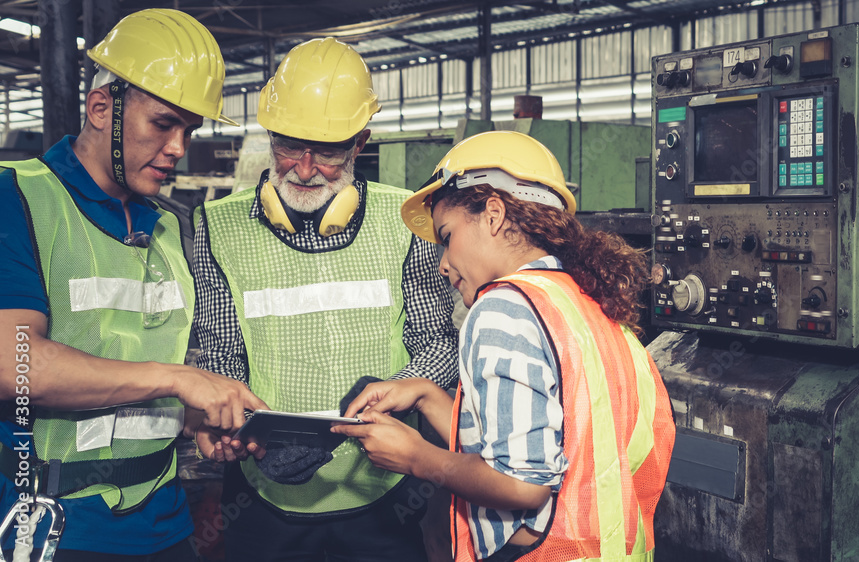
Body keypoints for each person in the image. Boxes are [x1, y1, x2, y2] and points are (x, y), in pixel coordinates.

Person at [0, 9, 268, 561]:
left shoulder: (170, 226)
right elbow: (14, 365)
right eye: (163, 124)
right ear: (101, 108)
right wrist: (179, 379)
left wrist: (198, 419)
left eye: (189, 130)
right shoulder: (19, 198)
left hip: (165, 521)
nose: (178, 147)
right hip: (56, 525)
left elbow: (133, 360)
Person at [335, 130, 676, 561]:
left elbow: (522, 485)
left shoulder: (502, 308)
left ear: (493, 214)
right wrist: (425, 396)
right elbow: (528, 438)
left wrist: (418, 457)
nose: (441, 264)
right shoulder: (586, 303)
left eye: (446, 236)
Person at [190, 37, 458, 562]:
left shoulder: (406, 221)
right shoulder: (217, 227)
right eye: (289, 145)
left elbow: (436, 344)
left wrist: (399, 389)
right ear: (269, 133)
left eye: (329, 152)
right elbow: (220, 356)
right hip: (262, 498)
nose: (305, 168)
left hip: (383, 491)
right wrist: (238, 429)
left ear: (361, 143)